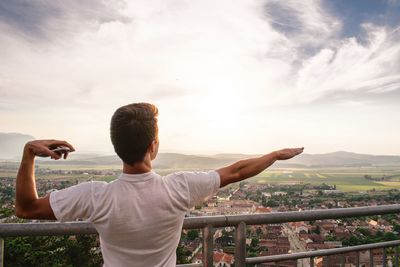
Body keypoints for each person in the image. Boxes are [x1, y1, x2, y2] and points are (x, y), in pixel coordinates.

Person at [15, 102, 303, 267]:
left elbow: (26, 209)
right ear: (153, 147)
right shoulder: (178, 188)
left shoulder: (95, 195)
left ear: (117, 148)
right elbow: (237, 171)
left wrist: (29, 153)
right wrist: (275, 155)